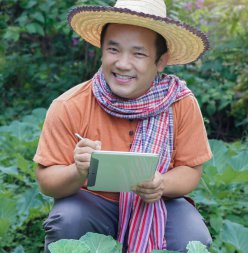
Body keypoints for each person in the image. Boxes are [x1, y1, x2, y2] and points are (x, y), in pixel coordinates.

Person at [33, 0, 212, 252]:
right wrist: (78, 170)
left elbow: (190, 171)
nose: (123, 64)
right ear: (102, 50)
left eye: (139, 53)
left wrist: (162, 184)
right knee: (68, 220)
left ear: (161, 61)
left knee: (193, 237)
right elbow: (46, 181)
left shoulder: (180, 103)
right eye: (113, 50)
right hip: (92, 203)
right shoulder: (69, 105)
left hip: (160, 203)